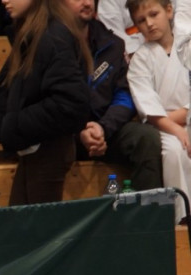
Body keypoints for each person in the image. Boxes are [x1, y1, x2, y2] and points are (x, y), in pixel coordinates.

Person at [0, 0, 91, 205]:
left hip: (47, 150)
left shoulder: (53, 36)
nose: (4, 0)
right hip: (34, 149)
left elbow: (71, 104)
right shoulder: (34, 34)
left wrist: (14, 124)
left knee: (39, 224)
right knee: (23, 222)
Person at [64, 0, 163, 191]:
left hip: (105, 130)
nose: (86, 2)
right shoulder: (47, 43)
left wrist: (103, 128)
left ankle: (146, 208)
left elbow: (124, 95)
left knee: (146, 137)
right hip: (65, 136)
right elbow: (49, 103)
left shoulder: (113, 44)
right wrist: (79, 132)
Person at [126, 0, 190, 221]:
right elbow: (148, 107)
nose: (150, 23)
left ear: (169, 10)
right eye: (141, 20)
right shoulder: (140, 59)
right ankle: (181, 218)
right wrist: (176, 128)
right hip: (163, 128)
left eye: (154, 14)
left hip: (183, 119)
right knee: (174, 151)